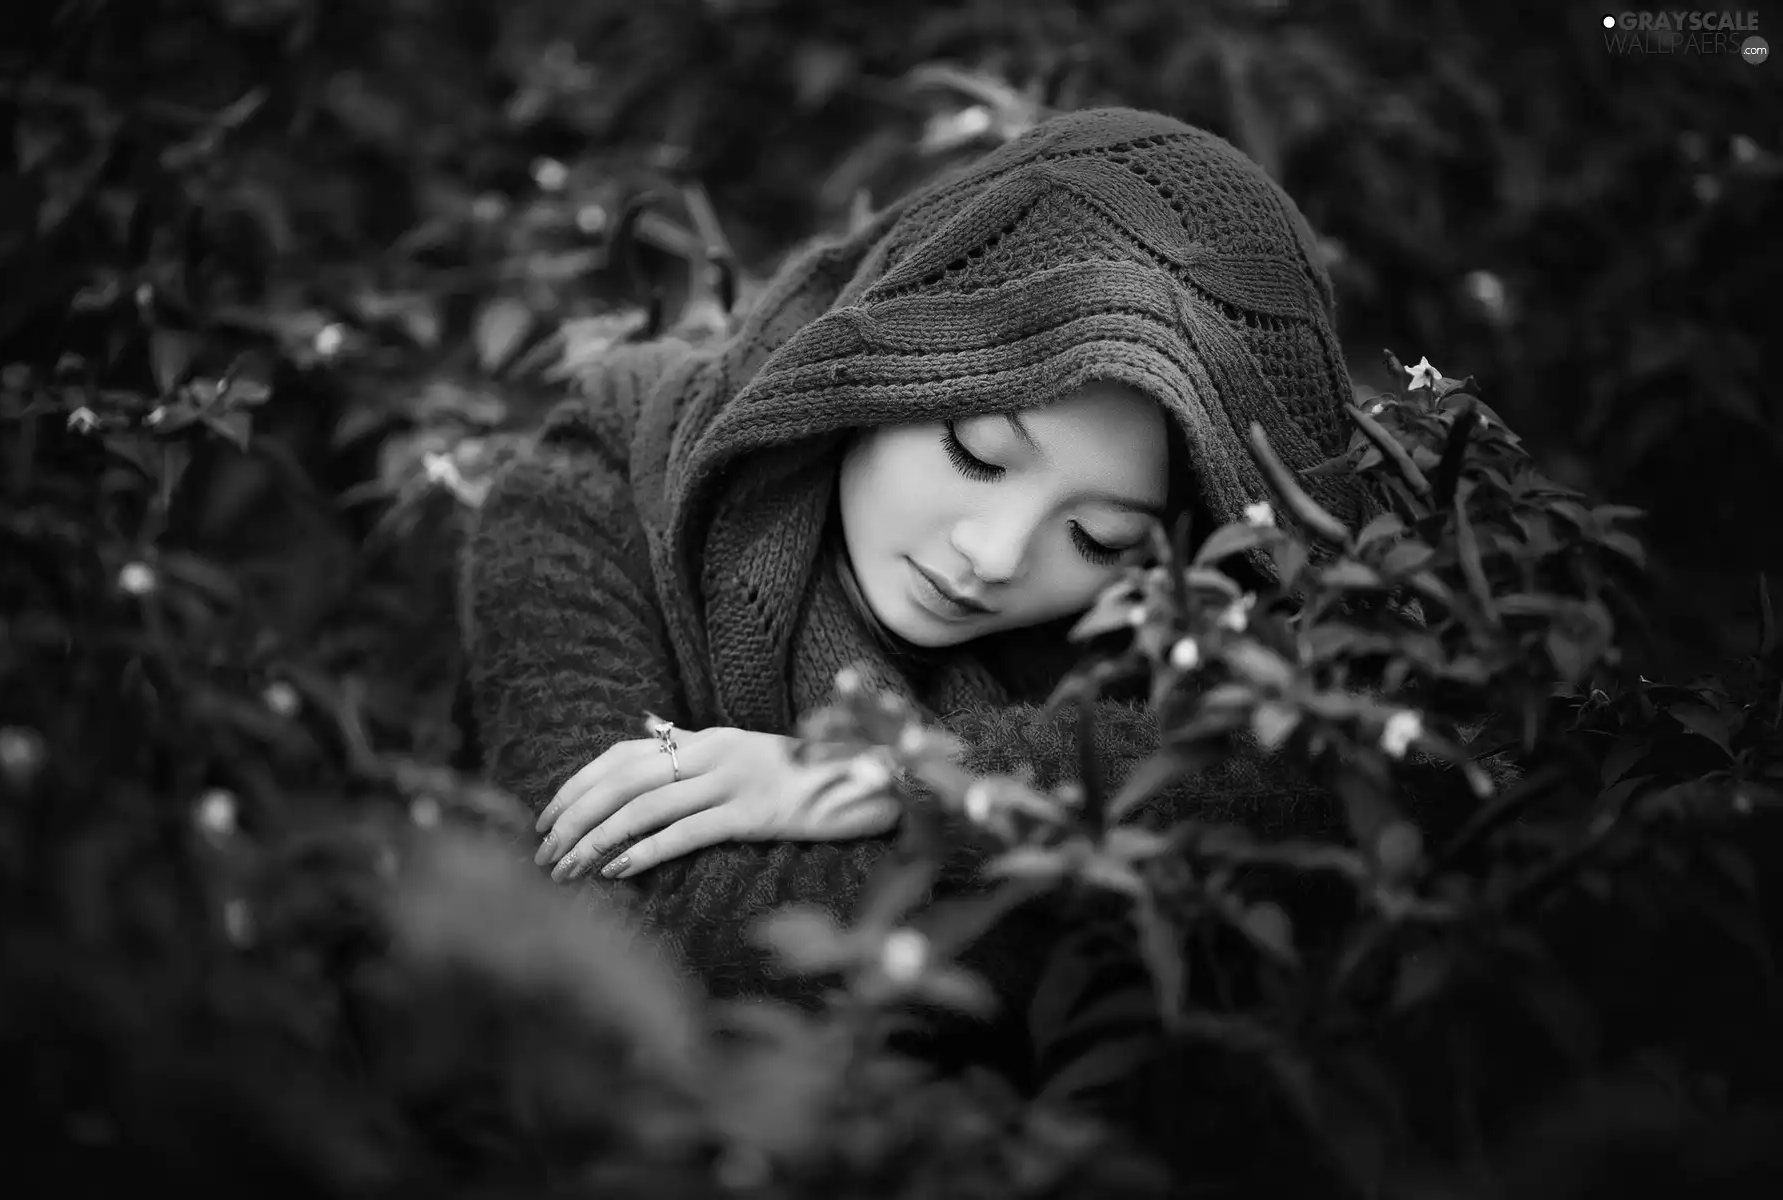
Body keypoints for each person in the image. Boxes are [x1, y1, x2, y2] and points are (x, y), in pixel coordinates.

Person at [457, 107, 1370, 1021]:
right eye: (975, 451)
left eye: (1102, 539)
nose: (993, 556)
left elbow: (1339, 772)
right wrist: (1057, 856)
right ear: (883, 356)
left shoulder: (1144, 628)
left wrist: (903, 775)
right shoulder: (600, 484)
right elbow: (626, 926)